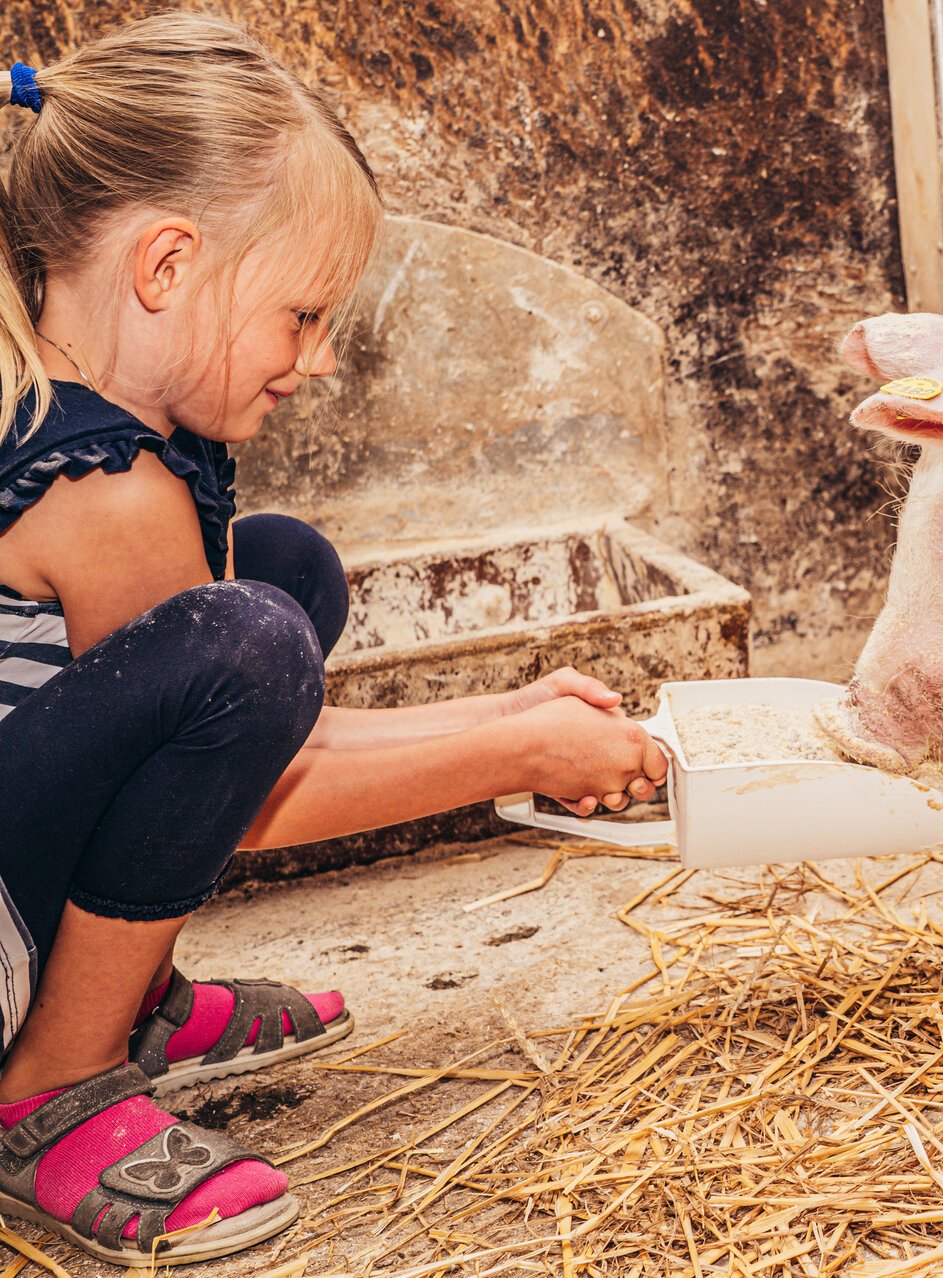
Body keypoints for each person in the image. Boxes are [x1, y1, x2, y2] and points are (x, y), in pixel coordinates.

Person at [0, 14, 669, 1264]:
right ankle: (53, 1081)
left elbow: (234, 744)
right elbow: (259, 795)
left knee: (282, 573)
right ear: (167, 265)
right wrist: (519, 755)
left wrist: (512, 711)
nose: (314, 362)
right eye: (302, 315)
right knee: (249, 639)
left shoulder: (101, 431)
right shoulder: (107, 491)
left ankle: (124, 998)